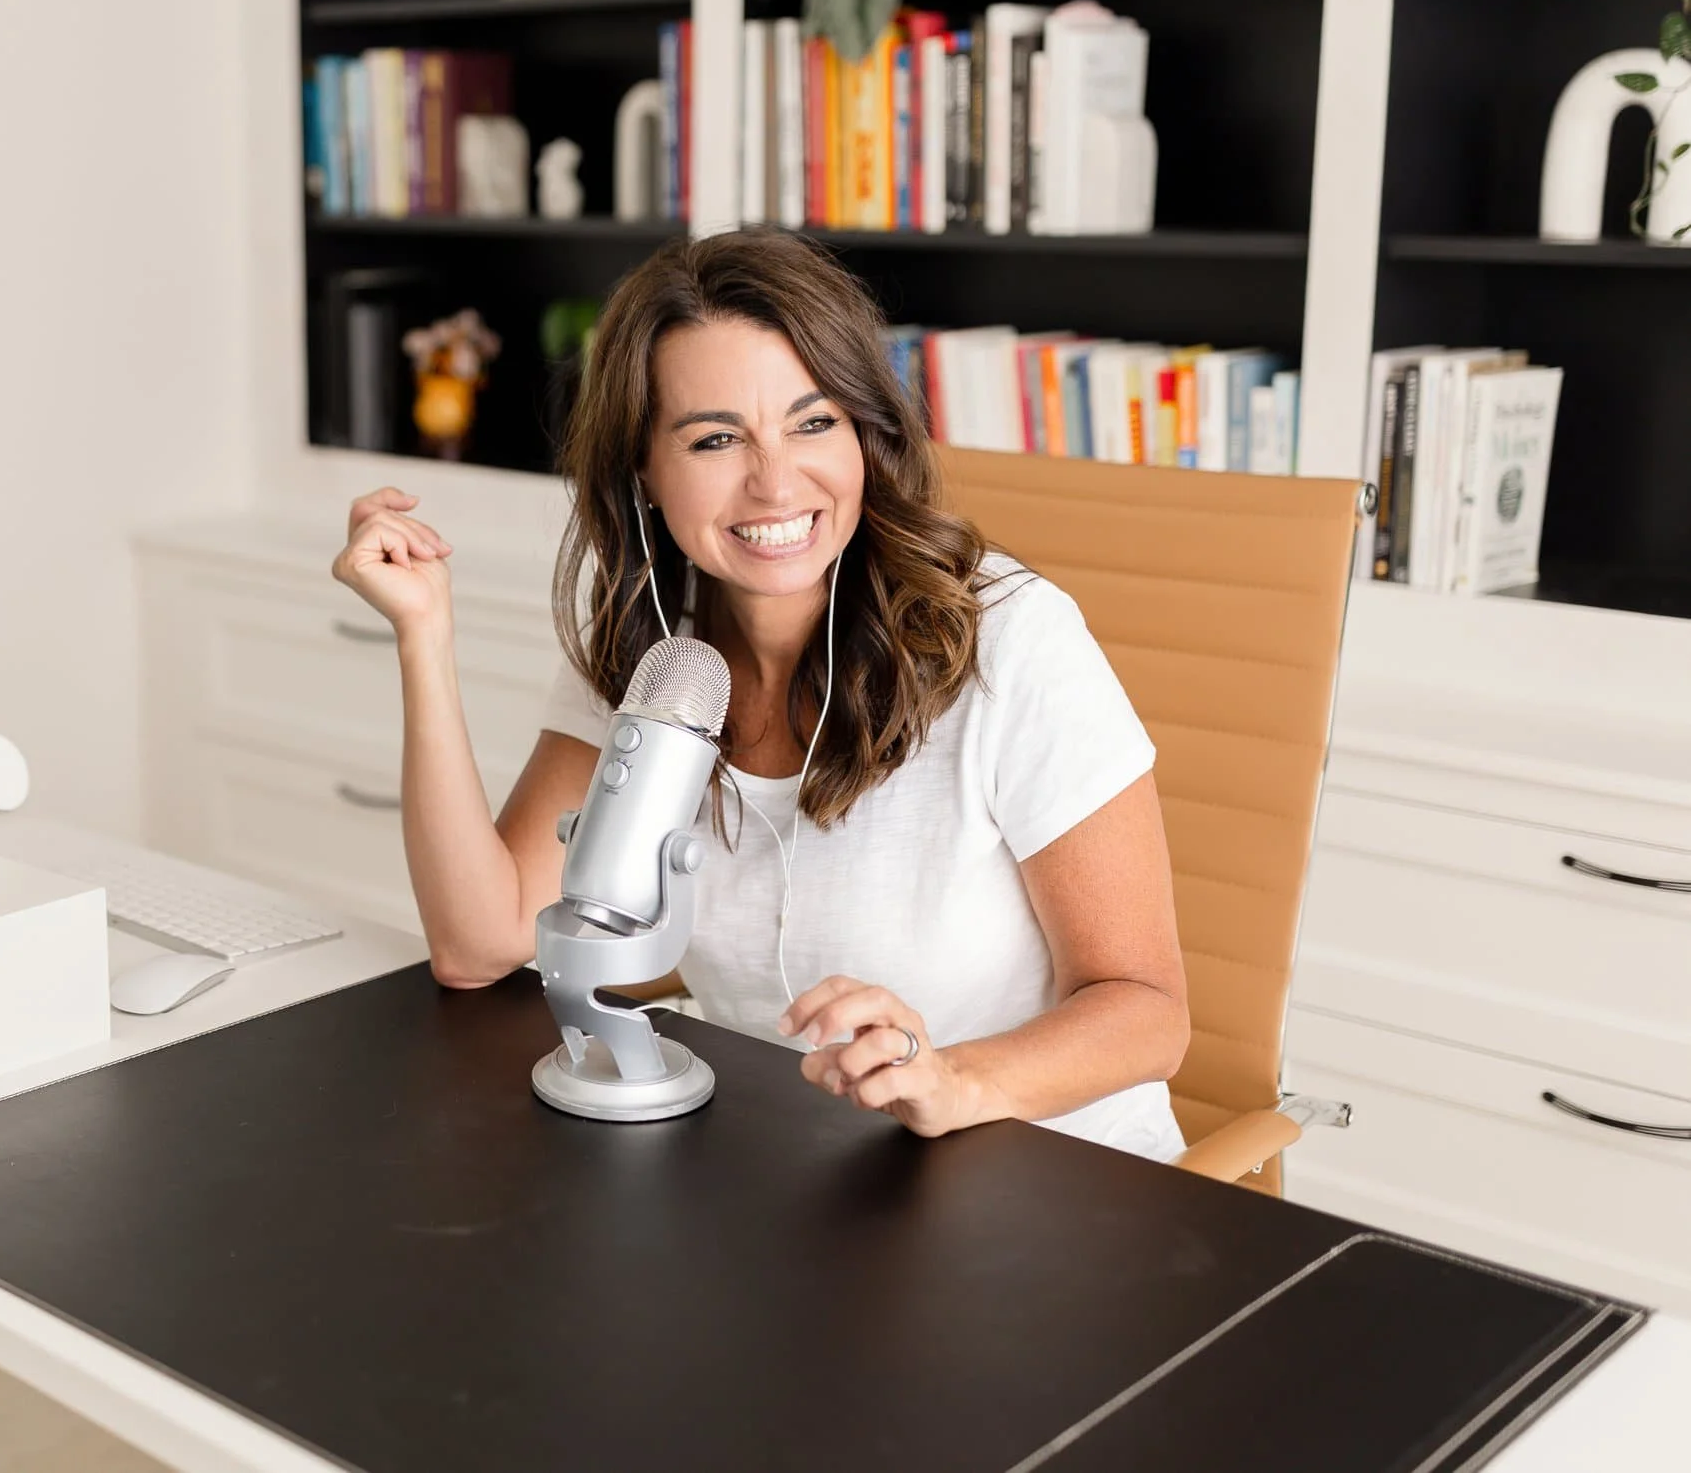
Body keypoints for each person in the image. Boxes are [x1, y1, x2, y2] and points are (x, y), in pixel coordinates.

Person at [330, 229, 1190, 1161]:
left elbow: (1147, 1011)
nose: (776, 481)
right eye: (714, 437)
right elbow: (478, 942)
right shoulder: (655, 652)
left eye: (814, 422)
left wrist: (955, 1077)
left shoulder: (1012, 640)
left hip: (1048, 1179)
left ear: (866, 430)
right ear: (644, 474)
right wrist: (425, 636)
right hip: (796, 1179)